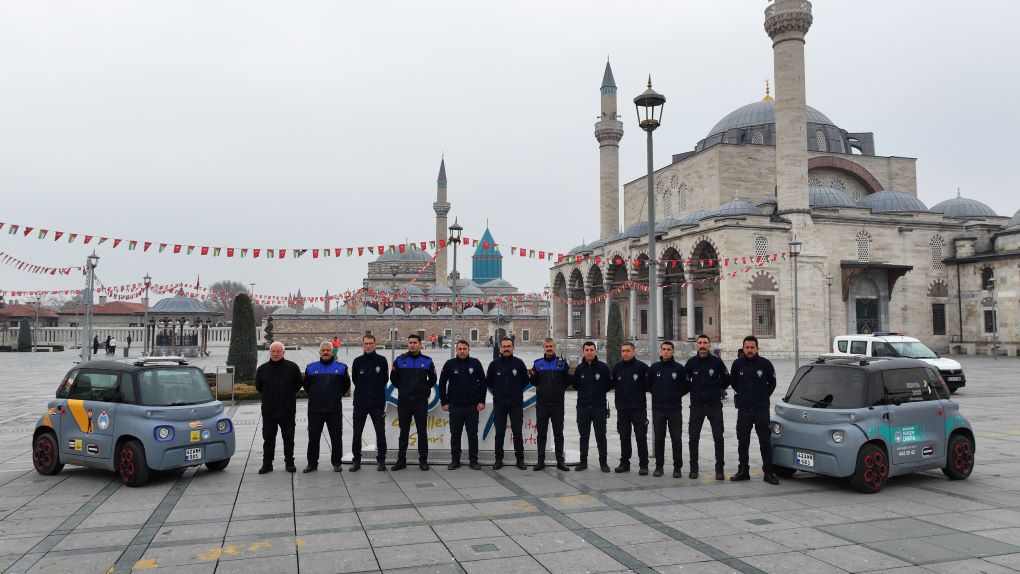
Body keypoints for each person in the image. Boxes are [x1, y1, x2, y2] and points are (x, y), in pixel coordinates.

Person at [728, 335, 779, 485]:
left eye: (752, 347)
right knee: (743, 441)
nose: (749, 350)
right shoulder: (737, 364)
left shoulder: (765, 364)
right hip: (744, 410)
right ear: (743, 348)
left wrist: (762, 397)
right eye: (747, 347)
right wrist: (744, 397)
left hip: (761, 409)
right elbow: (734, 383)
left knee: (765, 441)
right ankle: (744, 470)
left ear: (757, 348)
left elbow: (772, 383)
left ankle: (768, 472)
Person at [685, 334, 730, 480]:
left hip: (714, 405)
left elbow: (726, 379)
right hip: (697, 406)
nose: (702, 345)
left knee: (718, 437)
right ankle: (693, 468)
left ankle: (719, 469)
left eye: (705, 343)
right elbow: (685, 381)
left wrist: (717, 390)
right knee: (693, 437)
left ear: (709, 345)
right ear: (696, 345)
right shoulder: (691, 363)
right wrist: (693, 389)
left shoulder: (717, 362)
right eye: (700, 343)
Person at [302, 341, 351, 473]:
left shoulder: (341, 368)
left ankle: (336, 463)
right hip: (315, 410)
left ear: (332, 352)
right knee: (313, 438)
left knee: (336, 437)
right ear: (319, 352)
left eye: (328, 350)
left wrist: (335, 396)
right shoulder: (311, 368)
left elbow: (346, 385)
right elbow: (306, 386)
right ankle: (312, 463)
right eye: (323, 350)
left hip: (334, 409)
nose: (325, 352)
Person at [391, 334, 437, 471]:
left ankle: (423, 460)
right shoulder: (400, 361)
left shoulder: (427, 361)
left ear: (420, 344)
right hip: (404, 402)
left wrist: (423, 389)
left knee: (422, 432)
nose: (412, 345)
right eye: (410, 342)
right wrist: (404, 389)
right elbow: (393, 379)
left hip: (420, 402)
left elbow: (433, 379)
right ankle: (401, 460)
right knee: (403, 432)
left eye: (414, 342)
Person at [255, 342, 302, 474]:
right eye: (273, 351)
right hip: (269, 412)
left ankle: (289, 463)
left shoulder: (292, 367)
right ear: (269, 352)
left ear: (283, 353)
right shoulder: (262, 369)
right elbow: (259, 387)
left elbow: (297, 385)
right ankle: (267, 464)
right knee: (268, 439)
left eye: (278, 351)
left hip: (287, 411)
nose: (275, 354)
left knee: (288, 438)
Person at [438, 340, 486, 470]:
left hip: (472, 406)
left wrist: (482, 400)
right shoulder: (449, 364)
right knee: (455, 434)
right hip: (455, 406)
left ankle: (473, 460)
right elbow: (442, 383)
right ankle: (455, 460)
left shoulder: (475, 363)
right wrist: (444, 401)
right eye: (460, 349)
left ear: (469, 350)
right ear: (456, 350)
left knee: (472, 434)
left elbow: (483, 382)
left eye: (465, 348)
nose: (462, 351)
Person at [486, 337, 529, 470]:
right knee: (499, 433)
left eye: (508, 346)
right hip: (500, 404)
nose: (506, 349)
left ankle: (520, 459)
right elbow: (489, 382)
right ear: (500, 348)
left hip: (516, 403)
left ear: (513, 347)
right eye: (504, 346)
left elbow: (525, 381)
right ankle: (498, 459)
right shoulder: (494, 365)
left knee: (517, 433)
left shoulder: (519, 363)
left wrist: (514, 391)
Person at [530, 338, 571, 472]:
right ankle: (540, 461)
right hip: (542, 404)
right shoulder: (537, 364)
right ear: (544, 347)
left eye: (551, 346)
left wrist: (558, 390)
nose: (549, 348)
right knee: (541, 434)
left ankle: (560, 461)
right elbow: (534, 381)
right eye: (546, 346)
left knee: (558, 433)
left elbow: (568, 380)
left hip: (557, 405)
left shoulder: (562, 364)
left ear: (555, 347)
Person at [649, 341, 688, 478]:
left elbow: (686, 385)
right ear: (660, 351)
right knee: (659, 439)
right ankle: (659, 467)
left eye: (668, 349)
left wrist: (676, 394)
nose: (665, 351)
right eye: (663, 349)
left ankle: (677, 467)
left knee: (676, 439)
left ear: (673, 351)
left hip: (674, 409)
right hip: (658, 409)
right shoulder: (654, 368)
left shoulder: (679, 368)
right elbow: (649, 385)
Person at [572, 341, 613, 472]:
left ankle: (603, 462)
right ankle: (583, 461)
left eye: (591, 349)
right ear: (583, 351)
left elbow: (609, 384)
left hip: (599, 407)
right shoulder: (579, 369)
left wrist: (599, 393)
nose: (589, 352)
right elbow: (576, 385)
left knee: (601, 436)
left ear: (596, 351)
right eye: (587, 350)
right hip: (583, 407)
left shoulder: (603, 367)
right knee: (583, 436)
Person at [350, 335, 389, 472]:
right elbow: (355, 379)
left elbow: (385, 379)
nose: (368, 346)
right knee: (357, 434)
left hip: (377, 404)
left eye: (371, 343)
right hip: (360, 404)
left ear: (375, 344)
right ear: (363, 344)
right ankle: (356, 460)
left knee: (380, 433)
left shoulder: (382, 361)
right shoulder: (357, 361)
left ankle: (381, 460)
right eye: (366, 343)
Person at [612, 342, 650, 475]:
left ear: (634, 352)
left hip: (638, 409)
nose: (625, 353)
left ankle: (643, 464)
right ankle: (624, 463)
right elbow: (613, 384)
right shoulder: (617, 367)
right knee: (624, 437)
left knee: (641, 437)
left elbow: (648, 386)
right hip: (622, 409)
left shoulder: (642, 368)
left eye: (628, 351)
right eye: (623, 351)